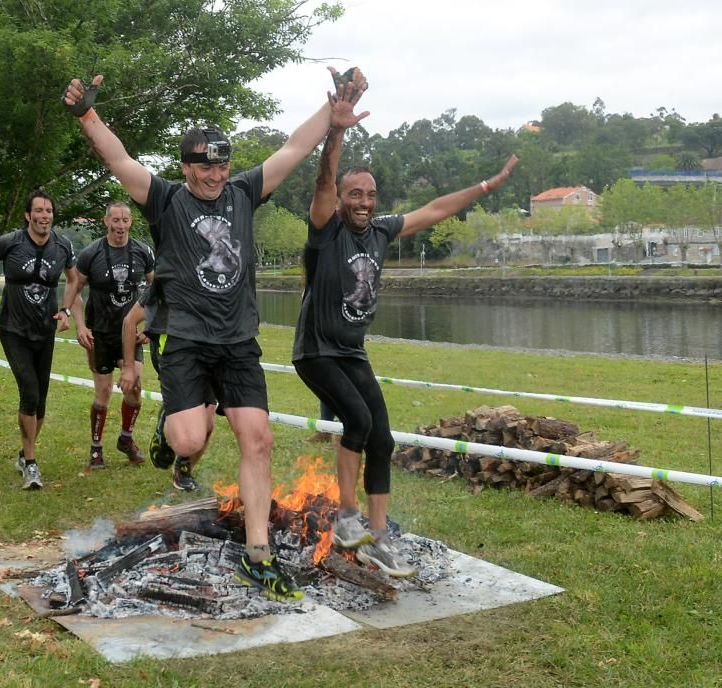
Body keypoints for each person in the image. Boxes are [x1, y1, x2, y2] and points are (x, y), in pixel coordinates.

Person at [64, 66, 368, 601]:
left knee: (259, 438)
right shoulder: (164, 200)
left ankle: (258, 555)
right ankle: (173, 425)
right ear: (185, 167)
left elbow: (294, 148)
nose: (215, 174)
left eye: (221, 164)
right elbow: (119, 159)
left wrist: (332, 114)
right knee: (189, 440)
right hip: (184, 341)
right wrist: (87, 114)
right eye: (204, 166)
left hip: (237, 343)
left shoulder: (246, 192)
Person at [293, 103, 519, 577]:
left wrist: (485, 188)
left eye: (370, 194)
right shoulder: (325, 232)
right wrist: (334, 132)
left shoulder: (380, 231)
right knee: (355, 418)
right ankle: (348, 517)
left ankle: (377, 538)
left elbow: (436, 210)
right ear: (340, 199)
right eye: (354, 194)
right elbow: (321, 184)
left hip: (351, 351)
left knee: (383, 439)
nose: (363, 202)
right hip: (316, 352)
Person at [0, 190, 81, 490]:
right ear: (28, 215)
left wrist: (66, 309)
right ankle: (31, 463)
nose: (45, 216)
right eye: (39, 211)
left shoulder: (63, 246)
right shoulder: (11, 242)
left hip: (44, 331)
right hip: (14, 330)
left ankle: (24, 453)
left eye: (49, 211)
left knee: (41, 402)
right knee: (29, 392)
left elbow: (74, 279)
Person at [65, 201, 155, 470]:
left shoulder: (142, 252)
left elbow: (158, 290)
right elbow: (74, 288)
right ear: (106, 221)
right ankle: (96, 448)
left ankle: (126, 438)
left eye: (125, 220)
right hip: (100, 332)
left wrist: (151, 325)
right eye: (115, 220)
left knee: (135, 387)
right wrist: (80, 325)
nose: (120, 226)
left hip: (131, 333)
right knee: (103, 392)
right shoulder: (91, 253)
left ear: (130, 222)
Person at [119, 281, 217, 491]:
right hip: (173, 353)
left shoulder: (216, 277)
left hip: (209, 352)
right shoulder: (170, 275)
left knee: (208, 423)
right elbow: (130, 320)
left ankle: (184, 469)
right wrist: (128, 366)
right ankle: (169, 422)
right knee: (190, 415)